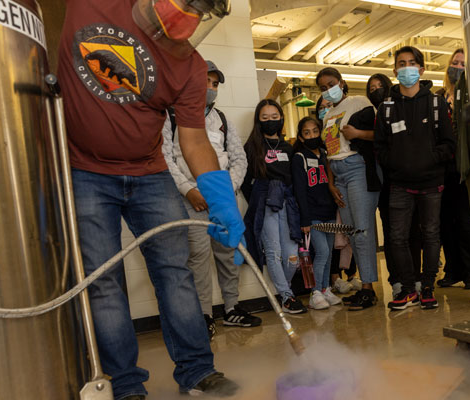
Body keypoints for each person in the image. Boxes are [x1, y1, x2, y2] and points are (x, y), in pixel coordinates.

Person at [58, 0, 243, 398]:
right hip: (83, 169)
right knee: (104, 281)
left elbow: (193, 140)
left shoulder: (190, 67)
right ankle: (125, 385)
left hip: (150, 172)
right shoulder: (92, 5)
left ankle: (197, 371)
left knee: (175, 273)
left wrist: (222, 200)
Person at [162, 60, 261, 340]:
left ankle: (232, 309)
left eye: (215, 84)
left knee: (228, 254)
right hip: (192, 200)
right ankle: (204, 315)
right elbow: (166, 158)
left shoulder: (222, 120)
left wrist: (225, 191)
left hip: (221, 198)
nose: (210, 88)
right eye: (206, 81)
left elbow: (238, 159)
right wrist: (187, 189)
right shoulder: (171, 117)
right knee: (199, 258)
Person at [374, 46, 456, 311]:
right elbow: (380, 147)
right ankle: (408, 289)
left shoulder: (436, 103)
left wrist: (429, 159)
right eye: (401, 63)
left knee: (431, 235)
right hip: (399, 184)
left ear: (421, 69)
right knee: (397, 238)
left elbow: (448, 143)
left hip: (432, 183)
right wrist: (397, 163)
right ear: (395, 70)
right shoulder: (386, 108)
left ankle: (428, 286)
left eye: (411, 63)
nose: (406, 67)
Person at [316, 67, 381, 311]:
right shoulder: (327, 115)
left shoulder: (358, 102)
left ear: (341, 82)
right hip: (339, 172)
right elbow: (330, 151)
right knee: (353, 233)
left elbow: (380, 134)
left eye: (331, 84)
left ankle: (368, 289)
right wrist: (331, 183)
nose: (328, 90)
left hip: (357, 168)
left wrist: (357, 133)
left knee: (363, 231)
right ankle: (365, 287)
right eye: (323, 88)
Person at [241, 99, 307, 314]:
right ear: (258, 122)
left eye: (274, 117)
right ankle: (287, 297)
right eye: (265, 118)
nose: (270, 121)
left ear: (281, 119)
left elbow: (296, 181)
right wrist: (258, 201)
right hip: (266, 204)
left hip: (288, 204)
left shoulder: (289, 147)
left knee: (291, 254)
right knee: (274, 251)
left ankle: (284, 292)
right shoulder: (251, 148)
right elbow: (244, 181)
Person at [367, 73, 423, 299]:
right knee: (392, 234)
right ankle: (397, 280)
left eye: (380, 86)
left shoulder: (399, 108)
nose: (376, 90)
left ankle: (417, 279)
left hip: (409, 179)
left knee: (413, 231)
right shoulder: (368, 114)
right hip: (385, 182)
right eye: (371, 88)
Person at [435, 49, 470, 291]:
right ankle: (453, 269)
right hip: (442, 167)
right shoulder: (440, 96)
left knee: (466, 220)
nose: (458, 67)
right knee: (446, 222)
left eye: (463, 63)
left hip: (464, 164)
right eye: (455, 63)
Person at [291, 116, 343, 309]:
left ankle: (325, 288)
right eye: (307, 132)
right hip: (312, 214)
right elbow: (300, 191)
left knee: (329, 254)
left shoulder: (325, 154)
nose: (312, 135)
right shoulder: (299, 158)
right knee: (321, 252)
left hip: (329, 211)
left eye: (315, 131)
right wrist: (304, 219)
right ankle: (314, 292)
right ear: (301, 137)